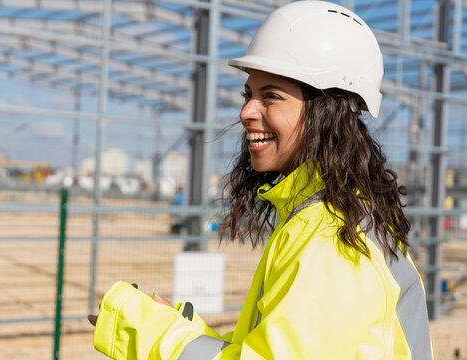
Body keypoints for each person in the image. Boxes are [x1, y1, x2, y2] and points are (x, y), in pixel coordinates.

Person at [88, 1, 433, 359]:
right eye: (249, 94)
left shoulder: (330, 239)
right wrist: (185, 331)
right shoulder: (331, 218)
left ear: (327, 111)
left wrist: (150, 332)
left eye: (271, 96)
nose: (246, 112)